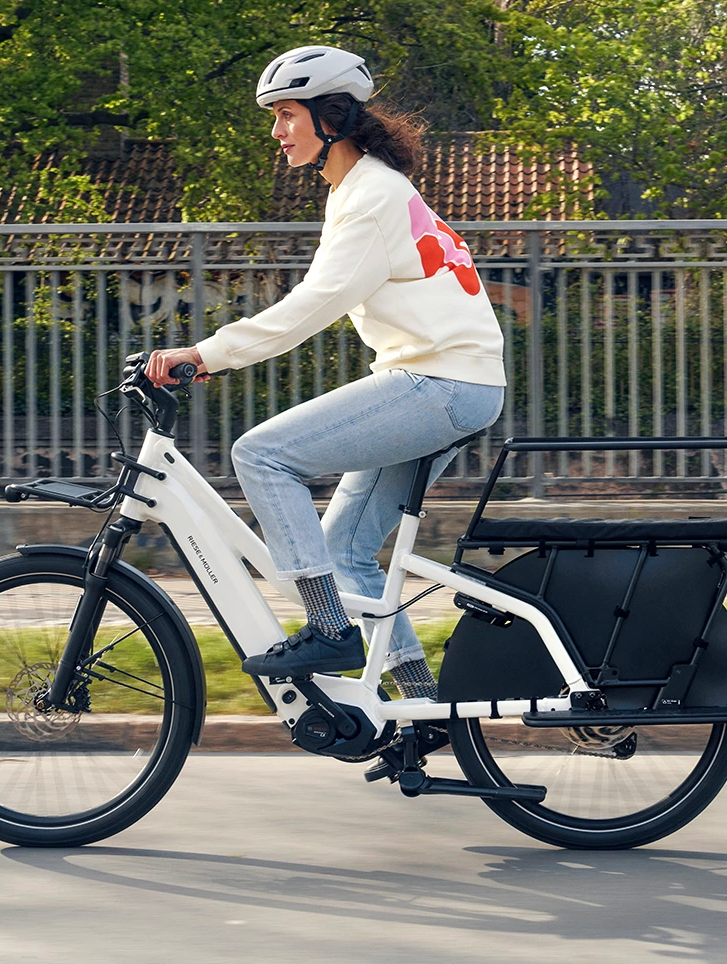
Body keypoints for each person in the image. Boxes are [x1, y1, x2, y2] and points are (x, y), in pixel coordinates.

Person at [144, 45, 507, 698]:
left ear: (330, 116)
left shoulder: (370, 197)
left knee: (261, 455)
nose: (277, 131)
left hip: (439, 385)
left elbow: (309, 308)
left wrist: (205, 354)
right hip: (450, 383)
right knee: (343, 552)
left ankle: (329, 628)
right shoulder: (366, 188)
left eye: (287, 114)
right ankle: (421, 708)